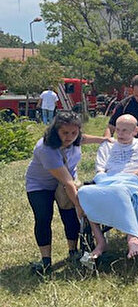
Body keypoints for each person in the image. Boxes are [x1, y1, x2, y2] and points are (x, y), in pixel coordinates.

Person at [25, 112, 108, 274]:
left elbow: (83, 138)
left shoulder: (76, 138)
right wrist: (79, 205)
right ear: (55, 131)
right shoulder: (46, 148)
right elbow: (67, 182)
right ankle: (46, 261)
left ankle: (73, 251)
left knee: (69, 216)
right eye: (65, 133)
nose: (69, 137)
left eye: (73, 132)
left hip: (66, 182)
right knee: (43, 218)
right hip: (40, 185)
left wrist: (104, 140)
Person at [79, 114, 138, 261]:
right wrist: (111, 181)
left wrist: (123, 177)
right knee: (83, 192)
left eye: (125, 130)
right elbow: (100, 171)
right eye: (118, 130)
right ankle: (101, 241)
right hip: (108, 183)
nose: (120, 134)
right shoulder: (108, 145)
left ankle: (132, 237)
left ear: (135, 130)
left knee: (120, 190)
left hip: (133, 183)